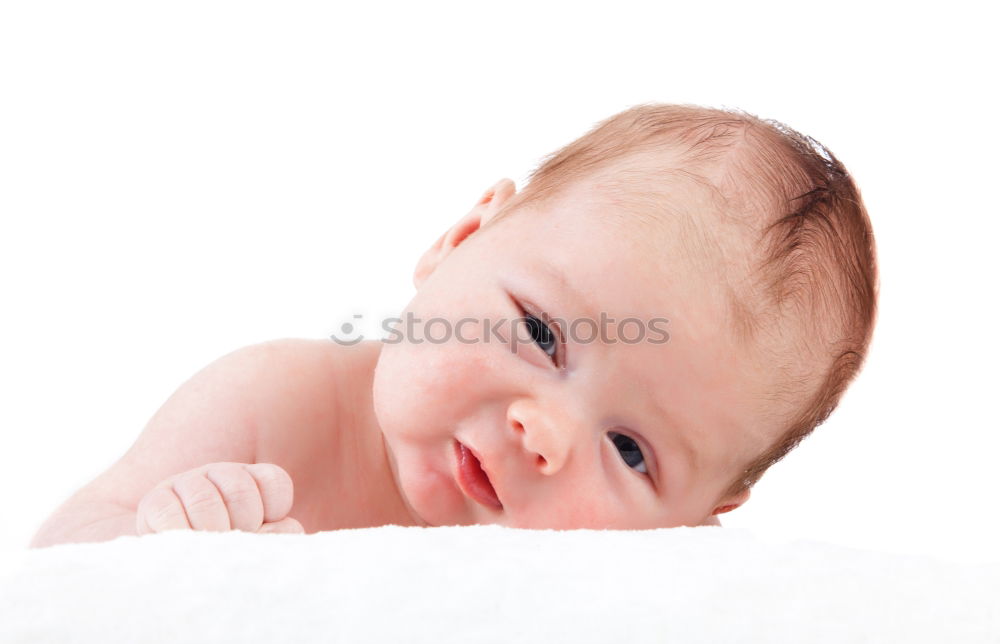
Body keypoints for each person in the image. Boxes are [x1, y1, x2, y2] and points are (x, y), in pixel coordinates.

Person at [29, 103, 879, 547]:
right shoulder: (267, 406)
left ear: (698, 521)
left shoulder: (612, 594)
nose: (542, 434)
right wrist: (156, 533)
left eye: (630, 451)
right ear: (458, 242)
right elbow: (58, 562)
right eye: (543, 335)